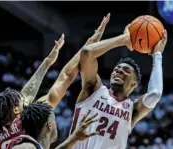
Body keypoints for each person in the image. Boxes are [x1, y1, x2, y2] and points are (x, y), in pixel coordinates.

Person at [69, 20, 167, 148]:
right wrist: (123, 39)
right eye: (116, 69)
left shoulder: (132, 111)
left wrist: (157, 55)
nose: (119, 70)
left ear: (134, 84)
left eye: (126, 70)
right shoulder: (94, 90)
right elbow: (87, 53)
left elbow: (155, 94)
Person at [0, 34, 65, 149]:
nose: (25, 102)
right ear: (15, 111)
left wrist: (47, 62)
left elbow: (28, 91)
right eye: (21, 102)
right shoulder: (21, 135)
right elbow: (28, 93)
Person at [6, 102, 99, 149]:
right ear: (49, 125)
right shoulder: (27, 147)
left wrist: (74, 138)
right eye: (55, 121)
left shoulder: (33, 145)